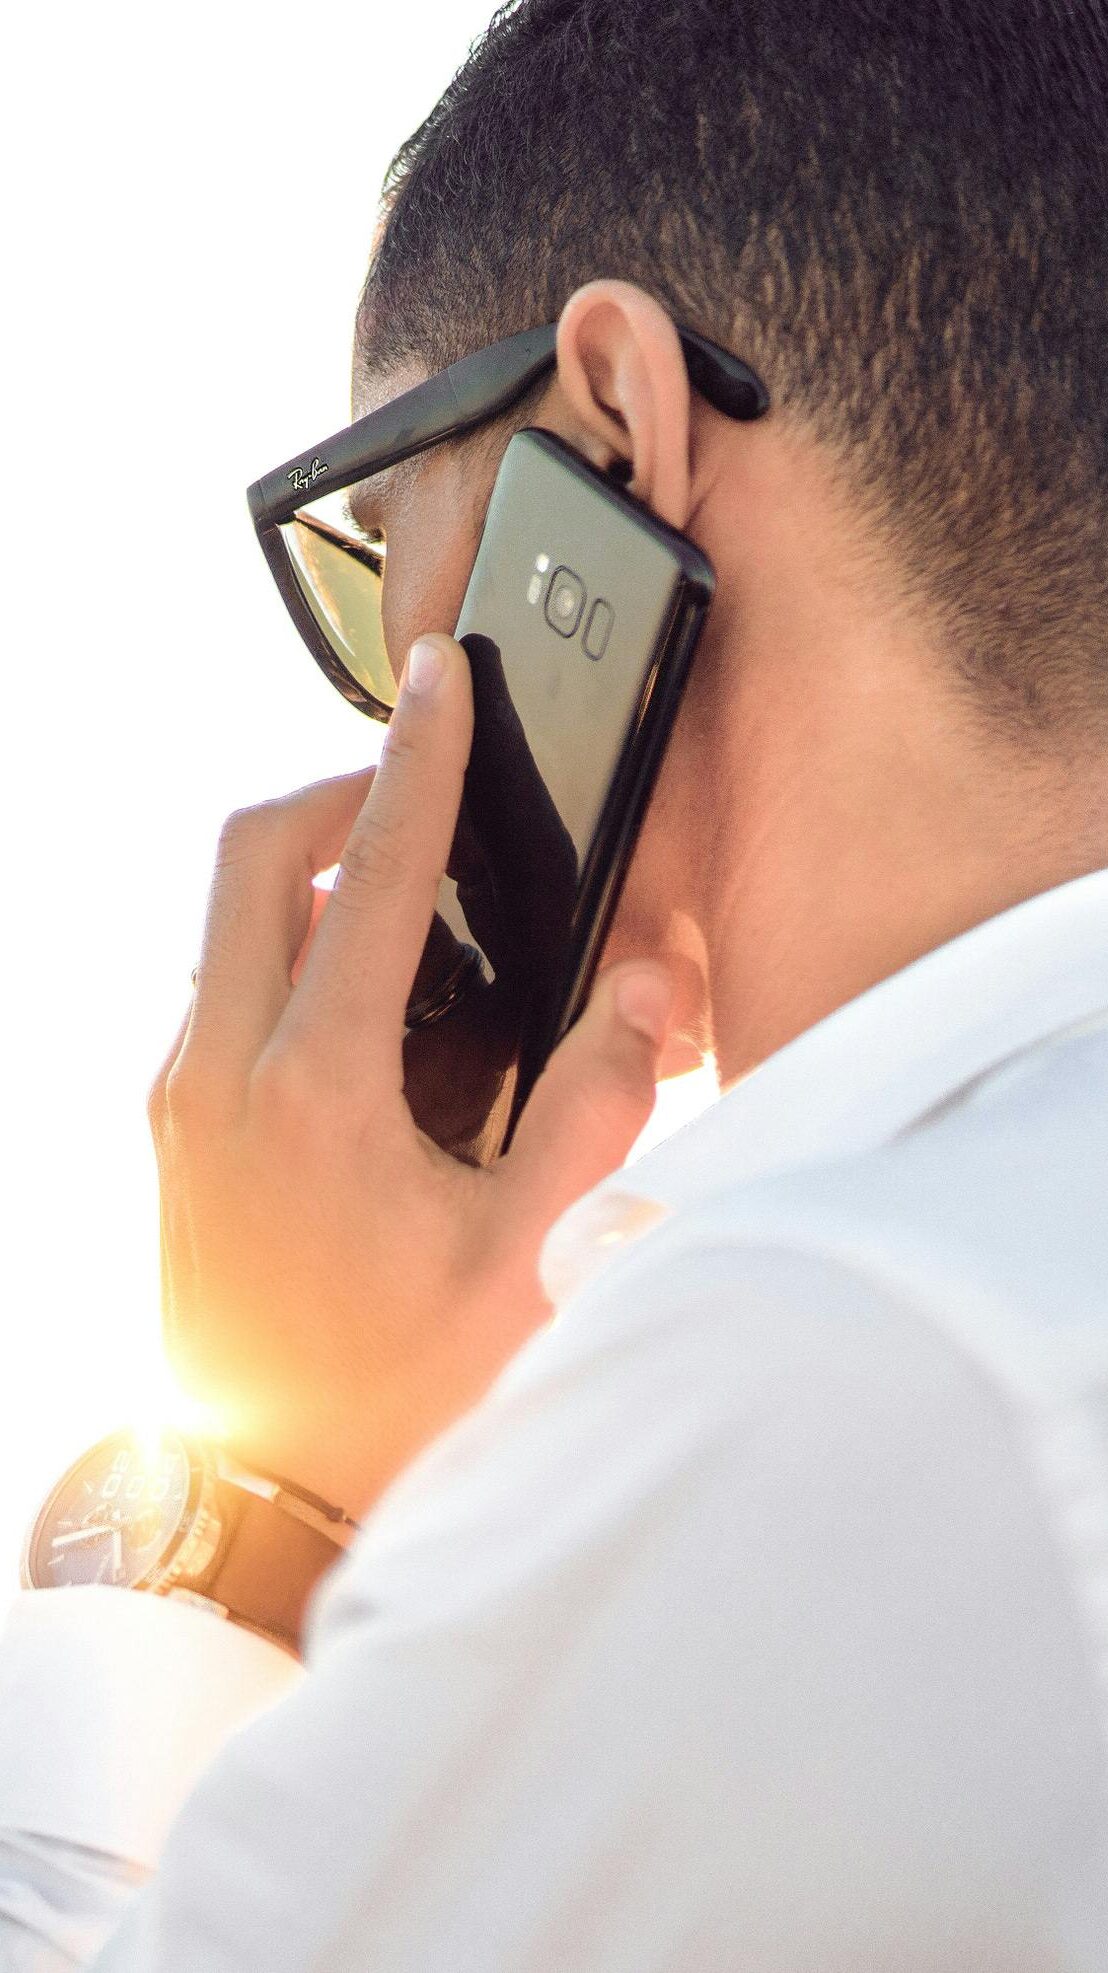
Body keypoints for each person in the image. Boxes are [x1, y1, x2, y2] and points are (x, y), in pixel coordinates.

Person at [3, 0, 1108, 1963]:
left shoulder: (822, 1376)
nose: (376, 701)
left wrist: (261, 1508)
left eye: (378, 560)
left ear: (612, 434)